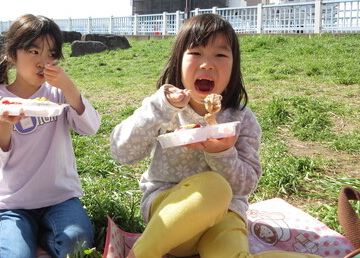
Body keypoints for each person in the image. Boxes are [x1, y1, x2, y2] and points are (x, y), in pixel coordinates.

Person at [110, 13, 321, 258]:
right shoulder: (164, 109)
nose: (207, 64)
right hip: (169, 215)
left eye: (220, 55)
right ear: (178, 62)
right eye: (196, 53)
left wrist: (222, 153)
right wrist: (161, 107)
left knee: (227, 214)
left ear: (234, 67)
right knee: (214, 186)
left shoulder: (241, 119)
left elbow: (246, 185)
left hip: (225, 216)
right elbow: (122, 152)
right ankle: (142, 253)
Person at [0, 14, 101, 258]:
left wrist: (70, 88)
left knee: (77, 246)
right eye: (33, 51)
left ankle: (35, 237)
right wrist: (2, 123)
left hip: (60, 197)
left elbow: (90, 127)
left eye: (51, 54)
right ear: (11, 55)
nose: (43, 62)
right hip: (14, 203)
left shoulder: (58, 94)